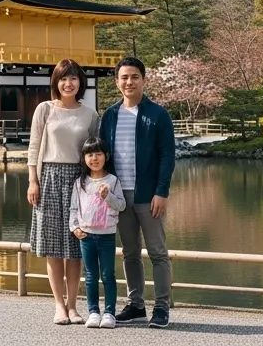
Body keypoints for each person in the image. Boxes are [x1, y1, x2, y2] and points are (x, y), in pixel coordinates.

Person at [99, 56, 176, 329]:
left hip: (148, 195)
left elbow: (167, 156)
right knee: (130, 252)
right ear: (117, 81)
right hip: (120, 197)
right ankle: (136, 305)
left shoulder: (157, 115)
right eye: (124, 77)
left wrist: (161, 192)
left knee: (157, 251)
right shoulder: (110, 115)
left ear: (144, 79)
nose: (129, 82)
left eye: (134, 77)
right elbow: (103, 156)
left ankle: (162, 307)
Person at [27, 58, 99, 325]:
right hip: (49, 178)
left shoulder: (90, 114)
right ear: (56, 83)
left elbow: (95, 153)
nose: (68, 84)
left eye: (73, 78)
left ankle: (73, 305)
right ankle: (58, 305)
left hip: (79, 180)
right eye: (63, 79)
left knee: (76, 247)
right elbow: (34, 148)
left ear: (80, 82)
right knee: (53, 248)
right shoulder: (44, 110)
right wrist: (33, 181)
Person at [69, 137, 126, 329]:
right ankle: (93, 311)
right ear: (84, 158)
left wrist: (107, 196)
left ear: (106, 156)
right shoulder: (80, 183)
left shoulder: (112, 181)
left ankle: (109, 312)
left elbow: (122, 205)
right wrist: (74, 227)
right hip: (86, 235)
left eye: (98, 153)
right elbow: (73, 209)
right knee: (91, 275)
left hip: (107, 235)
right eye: (90, 154)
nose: (94, 158)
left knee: (108, 274)